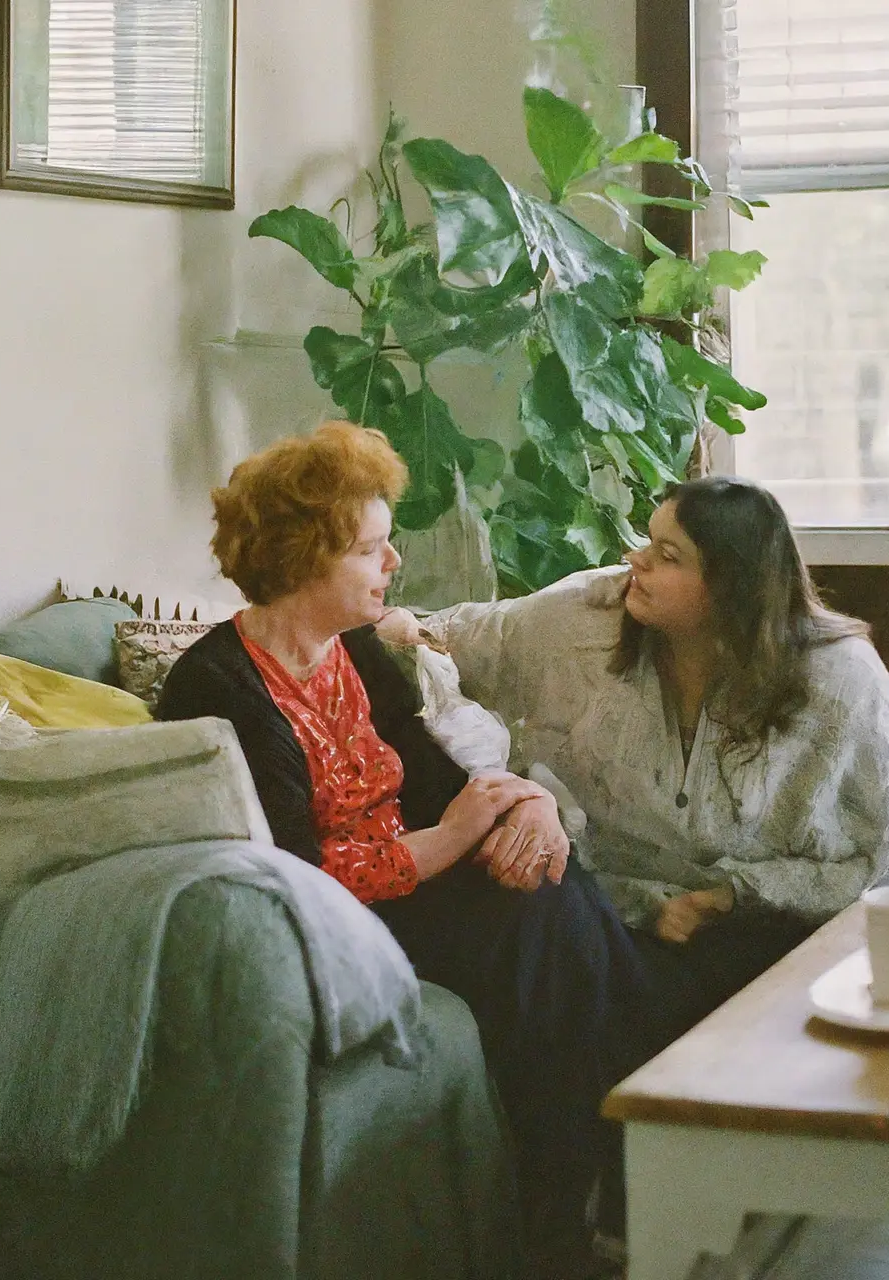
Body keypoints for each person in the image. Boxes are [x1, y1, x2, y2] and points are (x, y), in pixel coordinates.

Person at [156, 422, 656, 1280]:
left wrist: (523, 803)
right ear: (302, 560)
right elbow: (292, 875)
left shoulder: (354, 651)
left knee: (554, 879)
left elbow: (435, 780)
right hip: (332, 920)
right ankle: (582, 1200)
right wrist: (460, 834)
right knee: (539, 924)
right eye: (370, 550)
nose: (393, 567)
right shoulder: (218, 688)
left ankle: (602, 1186)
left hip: (406, 877)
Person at [389, 474, 889, 1046]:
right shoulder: (591, 616)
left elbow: (885, 869)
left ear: (731, 586)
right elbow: (454, 637)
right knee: (529, 911)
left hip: (780, 940)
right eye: (648, 541)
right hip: (620, 926)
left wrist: (731, 898)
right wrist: (392, 629)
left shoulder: (842, 683)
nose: (635, 561)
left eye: (667, 556)